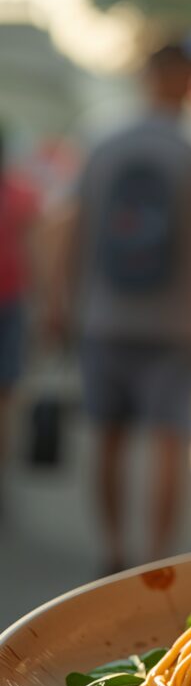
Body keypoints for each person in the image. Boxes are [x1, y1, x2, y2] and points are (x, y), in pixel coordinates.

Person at [59, 44, 191, 573]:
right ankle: (156, 562)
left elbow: (73, 229)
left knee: (107, 437)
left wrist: (63, 302)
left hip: (105, 317)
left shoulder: (102, 146)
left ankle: (113, 550)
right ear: (187, 81)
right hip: (177, 324)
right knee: (169, 440)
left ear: (145, 76)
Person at [0, 125, 39, 482]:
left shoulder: (22, 193)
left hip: (11, 301)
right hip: (11, 300)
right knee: (7, 389)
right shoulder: (20, 194)